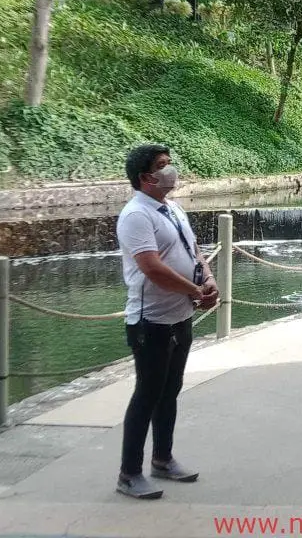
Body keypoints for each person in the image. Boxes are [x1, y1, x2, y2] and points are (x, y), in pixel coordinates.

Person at [115, 144, 219, 500]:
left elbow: (194, 251)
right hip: (151, 321)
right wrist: (195, 290)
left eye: (169, 164)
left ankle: (162, 458)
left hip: (180, 315)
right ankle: (129, 473)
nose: (170, 171)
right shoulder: (135, 216)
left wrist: (208, 281)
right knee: (147, 394)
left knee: (170, 390)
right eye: (162, 166)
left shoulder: (172, 208)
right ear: (145, 177)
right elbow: (151, 267)